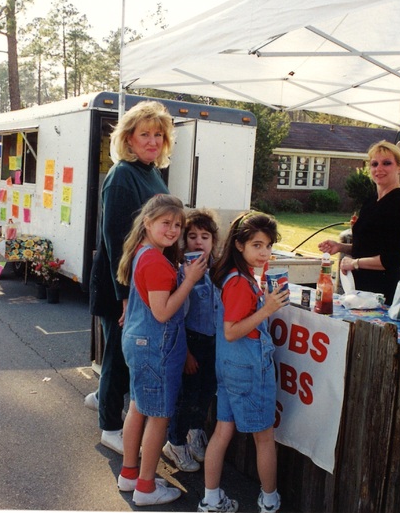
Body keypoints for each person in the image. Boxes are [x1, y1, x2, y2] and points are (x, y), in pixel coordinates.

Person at [87, 101, 175, 455]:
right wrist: (125, 295)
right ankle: (110, 425)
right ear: (128, 139)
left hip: (141, 282)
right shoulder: (122, 174)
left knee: (121, 355)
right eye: (145, 135)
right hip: (120, 283)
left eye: (158, 135)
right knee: (119, 359)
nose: (153, 141)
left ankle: (101, 398)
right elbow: (115, 239)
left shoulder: (152, 172)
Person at [116, 194, 207, 506]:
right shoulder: (155, 260)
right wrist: (190, 279)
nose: (173, 230)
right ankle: (145, 487)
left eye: (177, 225)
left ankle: (130, 474)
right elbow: (163, 312)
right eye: (166, 223)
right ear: (148, 222)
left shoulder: (143, 252)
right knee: (158, 417)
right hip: (155, 348)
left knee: (139, 407)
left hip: (139, 343)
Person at [200, 211, 288, 513]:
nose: (265, 253)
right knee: (264, 439)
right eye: (257, 245)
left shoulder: (236, 275)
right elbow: (232, 330)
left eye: (268, 245)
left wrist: (262, 300)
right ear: (239, 245)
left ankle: (211, 499)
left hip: (228, 367)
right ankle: (269, 500)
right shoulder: (239, 282)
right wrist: (268, 309)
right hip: (248, 368)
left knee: (223, 431)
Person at [318, 141, 400, 305]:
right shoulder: (371, 201)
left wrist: (354, 263)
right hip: (359, 288)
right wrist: (341, 247)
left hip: (384, 291)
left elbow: (393, 257)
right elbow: (370, 248)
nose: (379, 169)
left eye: (387, 163)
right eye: (374, 164)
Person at [162, 209, 221, 473]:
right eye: (193, 236)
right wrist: (185, 353)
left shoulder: (217, 271)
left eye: (205, 237)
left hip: (213, 342)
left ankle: (194, 433)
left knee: (207, 391)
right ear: (183, 241)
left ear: (213, 242)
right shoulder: (181, 273)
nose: (199, 242)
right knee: (186, 396)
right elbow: (176, 316)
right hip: (190, 342)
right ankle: (174, 442)